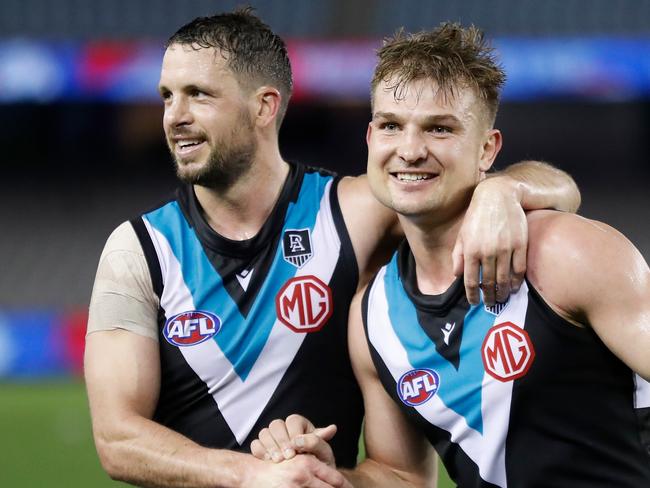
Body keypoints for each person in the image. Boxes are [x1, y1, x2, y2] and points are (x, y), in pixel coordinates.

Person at [84, 10, 581, 488]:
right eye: (168, 96)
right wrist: (252, 476)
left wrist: (503, 191)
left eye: (198, 95)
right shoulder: (139, 250)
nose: (175, 116)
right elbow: (117, 440)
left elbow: (559, 189)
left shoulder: (357, 210)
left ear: (264, 106)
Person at [251, 22, 650, 488]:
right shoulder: (373, 315)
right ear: (370, 138)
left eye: (439, 129)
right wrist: (325, 475)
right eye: (391, 126)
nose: (411, 150)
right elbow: (401, 475)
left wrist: (508, 187)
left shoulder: (565, 253)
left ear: (487, 149)